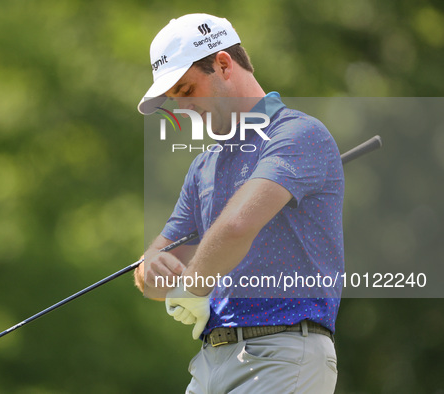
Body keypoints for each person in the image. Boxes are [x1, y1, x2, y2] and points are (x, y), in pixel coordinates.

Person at [134, 13, 344, 393]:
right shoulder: (204, 166)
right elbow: (155, 265)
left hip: (282, 354)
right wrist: (152, 270)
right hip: (209, 363)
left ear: (224, 65)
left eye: (186, 90)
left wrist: (193, 284)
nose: (182, 108)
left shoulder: (298, 134)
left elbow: (236, 227)